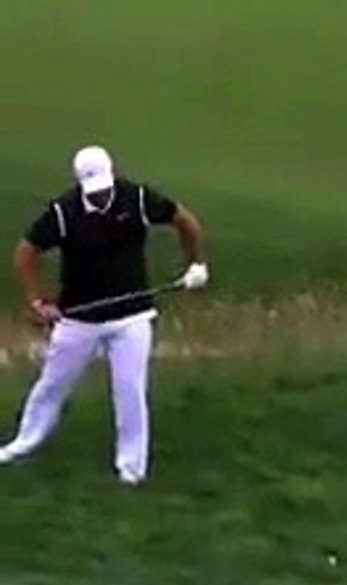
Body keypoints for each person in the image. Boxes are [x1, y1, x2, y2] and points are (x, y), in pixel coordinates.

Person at [0, 145, 209, 485]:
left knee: (130, 390)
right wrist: (35, 301)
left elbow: (184, 220)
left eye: (105, 191)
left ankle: (131, 469)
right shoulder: (64, 211)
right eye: (94, 193)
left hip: (132, 317)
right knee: (52, 384)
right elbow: (25, 252)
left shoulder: (136, 198)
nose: (101, 199)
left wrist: (196, 263)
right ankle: (23, 444)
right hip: (78, 320)